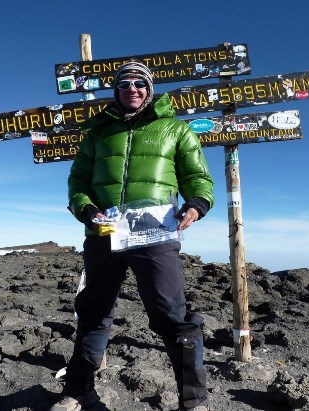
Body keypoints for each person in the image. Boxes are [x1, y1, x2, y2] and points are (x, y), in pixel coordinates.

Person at [51, 60, 214, 411]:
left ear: (149, 88)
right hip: (104, 234)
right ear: (117, 90)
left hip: (155, 235)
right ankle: (77, 392)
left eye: (139, 83)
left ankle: (193, 401)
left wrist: (196, 205)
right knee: (93, 311)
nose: (133, 89)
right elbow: (77, 182)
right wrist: (85, 209)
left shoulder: (176, 130)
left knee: (172, 316)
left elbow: (199, 179)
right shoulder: (97, 133)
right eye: (125, 84)